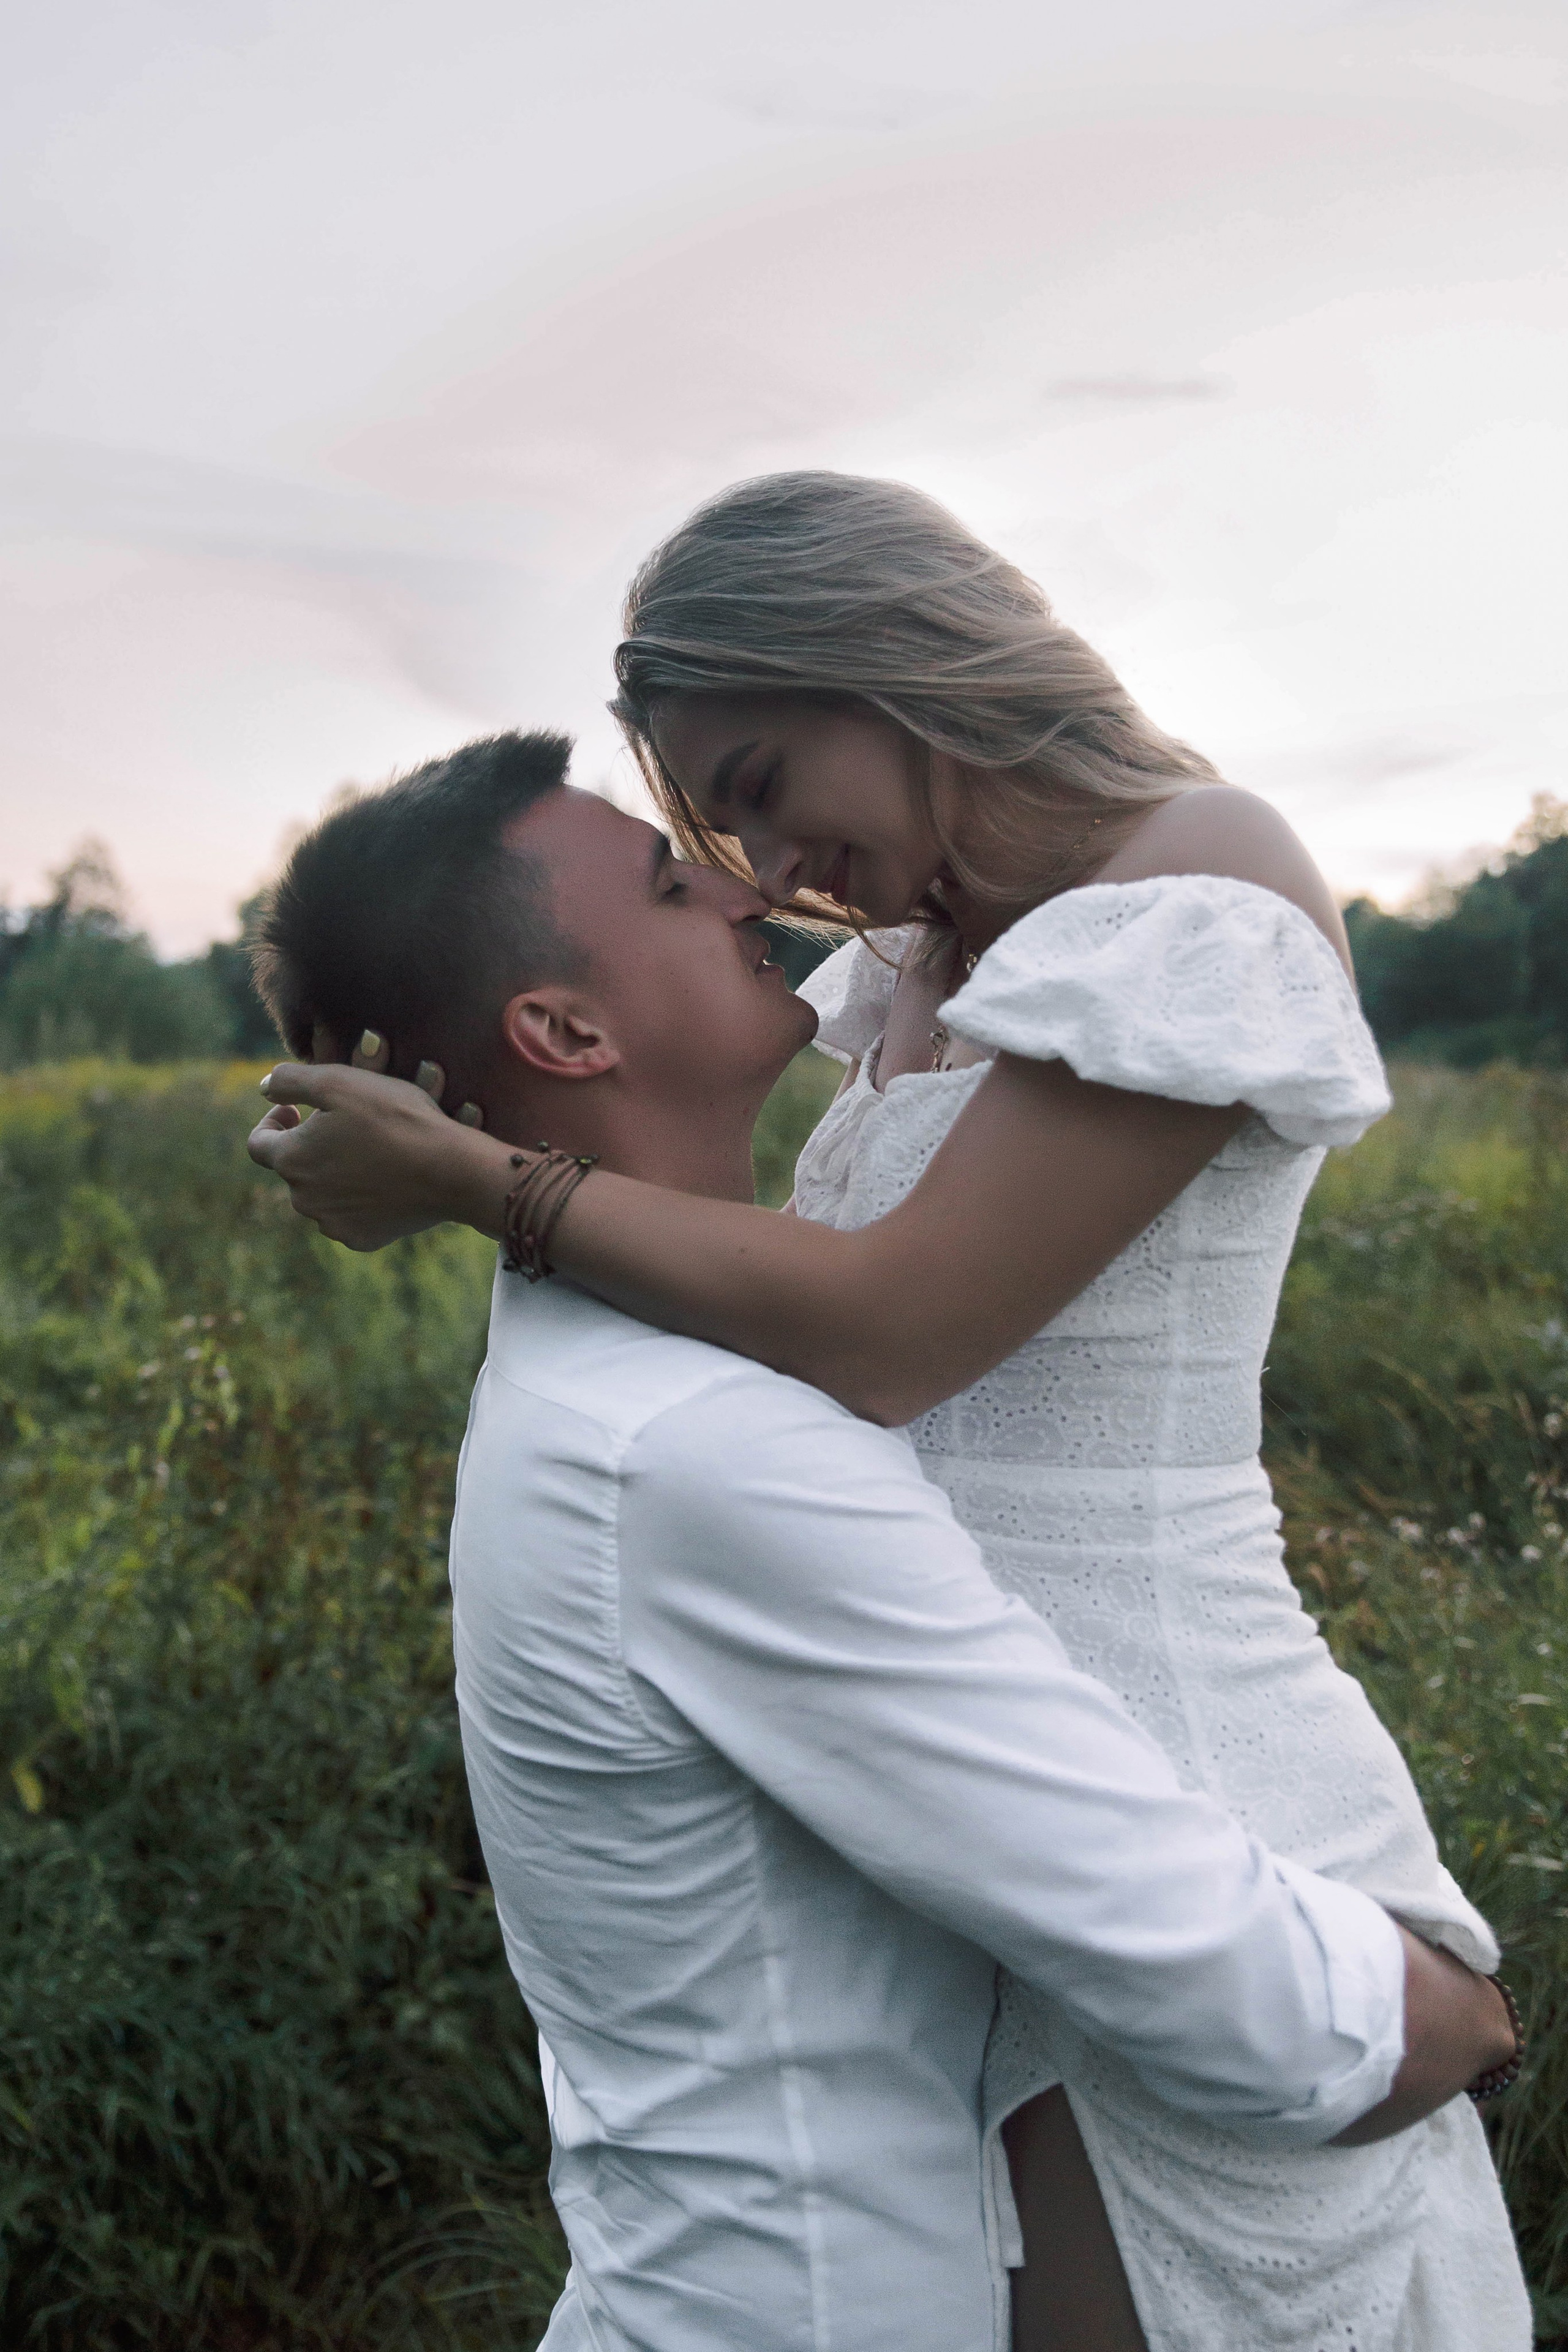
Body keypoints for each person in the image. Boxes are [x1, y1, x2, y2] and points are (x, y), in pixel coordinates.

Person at [250, 475, 1532, 2349]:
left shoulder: (1196, 887)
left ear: (888, 659)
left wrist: (472, 1180)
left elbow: (891, 1330)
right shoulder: (924, 957)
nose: (763, 871)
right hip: (950, 1781)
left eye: (762, 785)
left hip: (1172, 1793)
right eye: (712, 831)